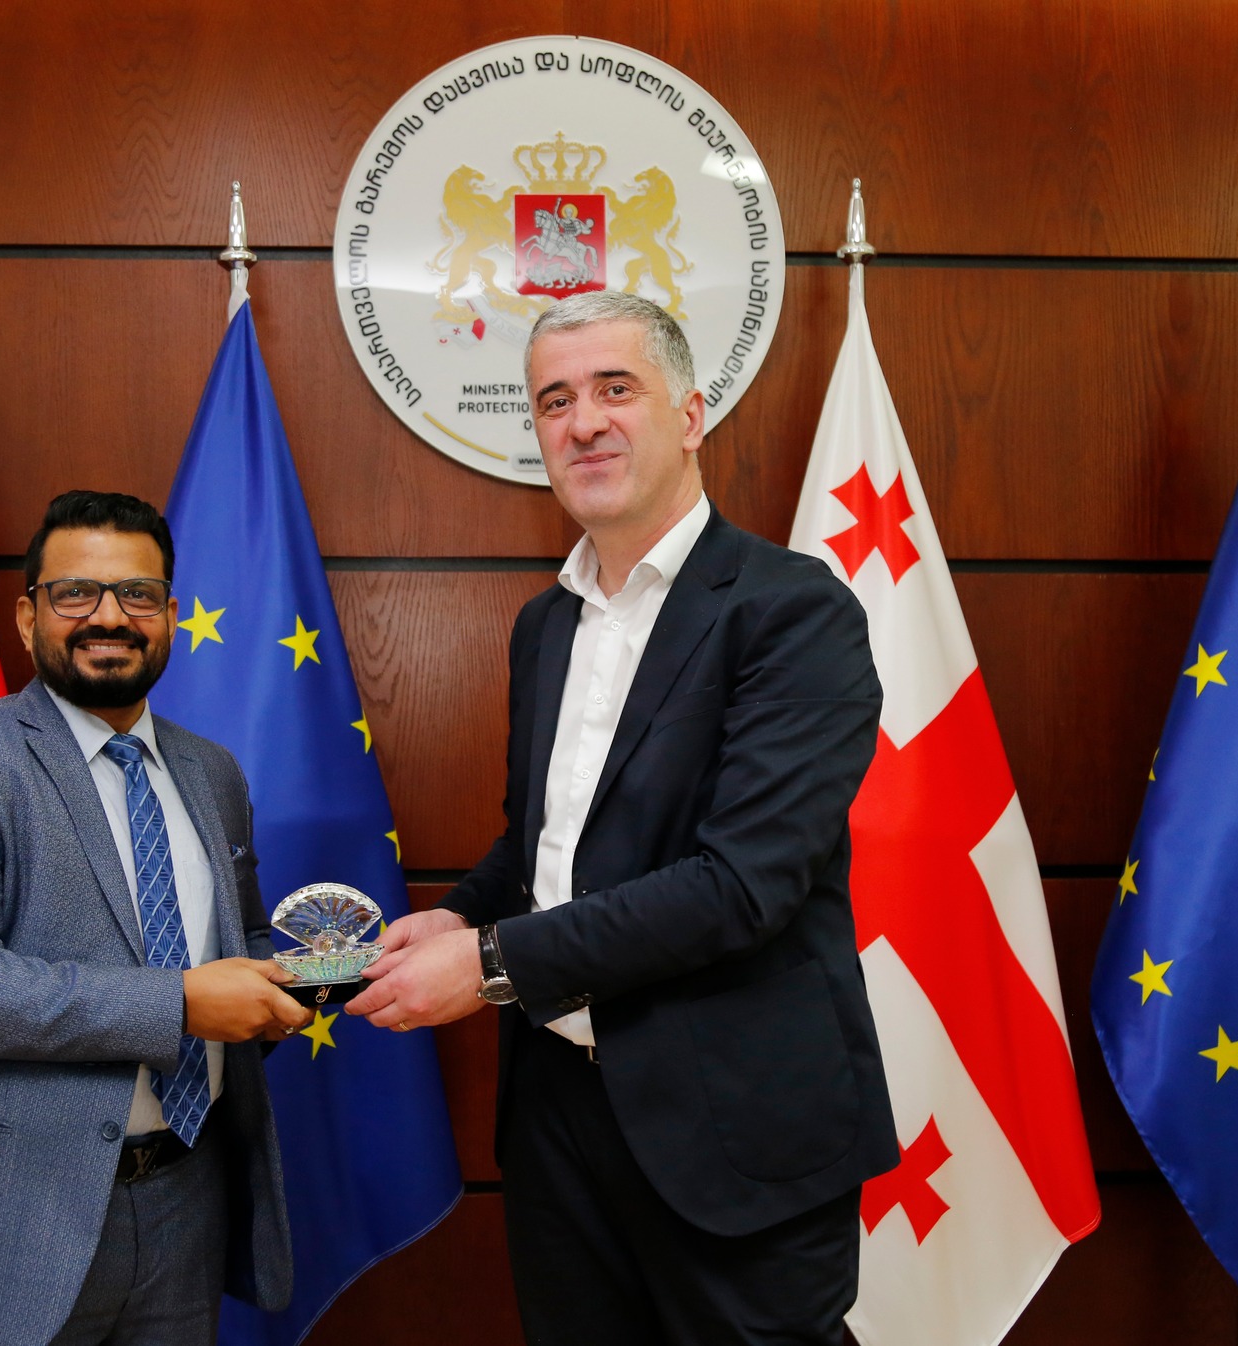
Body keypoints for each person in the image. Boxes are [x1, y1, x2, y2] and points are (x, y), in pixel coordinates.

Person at [346, 292, 899, 1344]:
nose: (584, 422)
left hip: (734, 1123)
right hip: (558, 1114)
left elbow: (741, 885)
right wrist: (461, 915)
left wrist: (491, 965)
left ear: (688, 415)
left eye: (615, 389)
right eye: (554, 401)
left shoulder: (792, 610)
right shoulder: (544, 624)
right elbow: (546, 841)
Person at [0, 490, 312, 1346]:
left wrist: (310, 980)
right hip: (11, 1218)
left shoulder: (212, 771)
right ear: (28, 615)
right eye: (76, 593)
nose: (110, 617)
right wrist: (182, 1004)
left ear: (169, 616)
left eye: (138, 594)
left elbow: (240, 941)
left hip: (188, 1199)